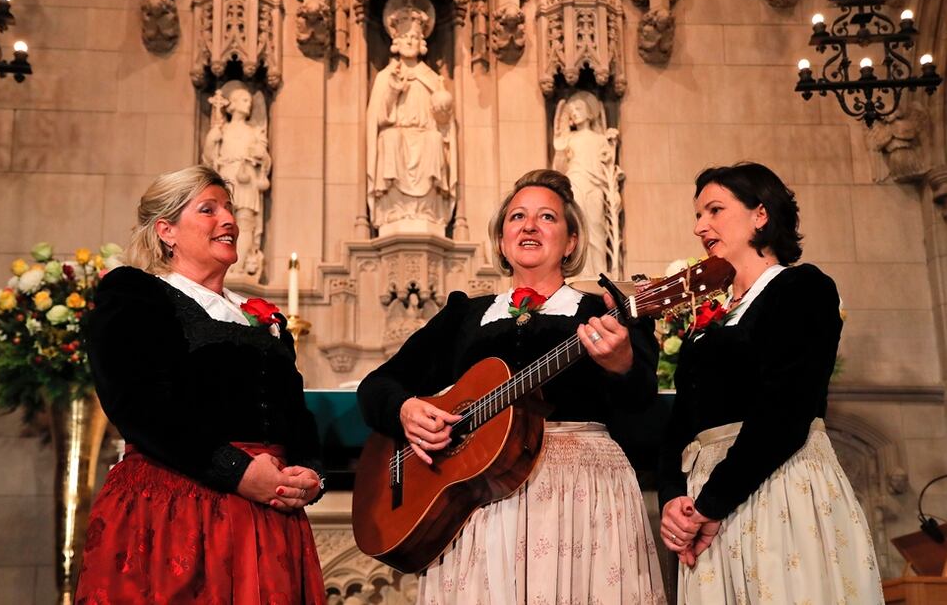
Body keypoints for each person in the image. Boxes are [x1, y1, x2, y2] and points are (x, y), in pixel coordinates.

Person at [358, 169, 666, 604]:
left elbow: (643, 405)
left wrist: (623, 365)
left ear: (571, 241)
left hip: (578, 492)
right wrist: (405, 411)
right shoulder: (466, 316)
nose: (529, 225)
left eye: (547, 217)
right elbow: (377, 386)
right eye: (517, 216)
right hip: (476, 501)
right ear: (502, 240)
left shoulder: (607, 312)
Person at [74, 165, 325, 603]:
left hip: (268, 515)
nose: (228, 220)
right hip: (177, 506)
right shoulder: (136, 295)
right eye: (208, 209)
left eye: (228, 209)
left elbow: (295, 414)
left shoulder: (260, 317)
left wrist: (311, 473)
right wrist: (238, 471)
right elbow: (137, 403)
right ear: (166, 230)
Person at [658, 162, 883, 604]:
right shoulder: (710, 318)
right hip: (706, 502)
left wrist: (711, 503)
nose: (700, 226)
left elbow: (785, 409)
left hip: (777, 485)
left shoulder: (802, 288)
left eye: (714, 210)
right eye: (698, 216)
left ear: (760, 214)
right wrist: (673, 500)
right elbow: (680, 421)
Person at [366, 0, 456, 236]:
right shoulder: (386, 76)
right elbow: (378, 119)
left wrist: (442, 110)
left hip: (424, 135)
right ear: (395, 38)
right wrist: (394, 91)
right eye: (404, 36)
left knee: (434, 140)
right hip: (397, 134)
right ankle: (394, 211)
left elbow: (444, 126)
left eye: (414, 37)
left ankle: (428, 212)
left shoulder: (432, 78)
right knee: (391, 138)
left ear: (422, 41)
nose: (409, 41)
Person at [553, 90, 624, 279]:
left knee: (596, 226)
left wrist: (611, 143)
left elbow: (608, 168)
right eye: (572, 110)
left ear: (590, 111)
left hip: (596, 185)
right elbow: (558, 169)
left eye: (579, 108)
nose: (575, 112)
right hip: (575, 182)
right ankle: (578, 271)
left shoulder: (600, 139)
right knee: (577, 226)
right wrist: (560, 149)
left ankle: (599, 272)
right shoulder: (569, 139)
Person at [202, 84, 271, 278]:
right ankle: (222, 263)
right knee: (223, 220)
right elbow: (209, 158)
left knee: (245, 220)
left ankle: (238, 266)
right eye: (244, 100)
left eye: (249, 100)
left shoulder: (254, 132)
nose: (248, 104)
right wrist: (210, 140)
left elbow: (265, 159)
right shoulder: (221, 129)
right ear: (231, 104)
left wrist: (261, 155)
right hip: (226, 176)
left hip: (247, 177)